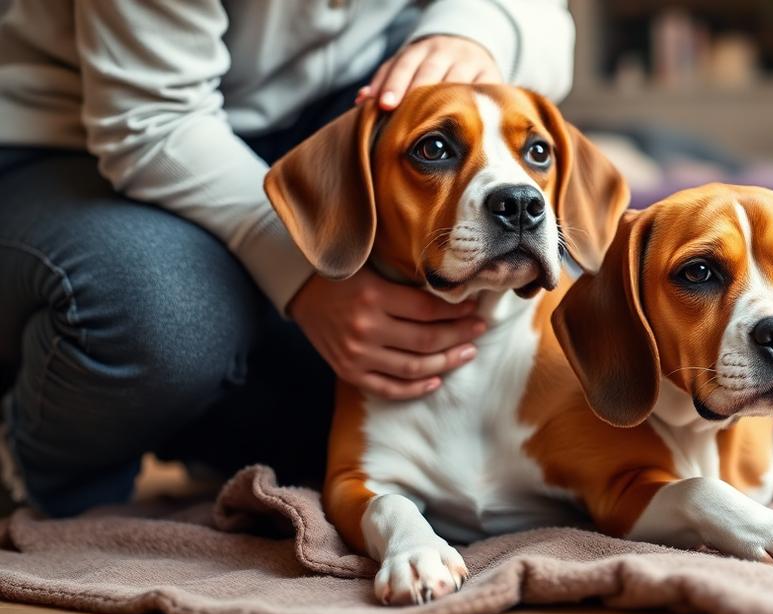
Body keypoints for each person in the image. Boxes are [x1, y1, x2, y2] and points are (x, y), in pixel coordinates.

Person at [0, 0, 574, 517]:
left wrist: (480, 30)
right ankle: (38, 468)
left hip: (337, 107)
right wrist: (302, 278)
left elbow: (544, 15)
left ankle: (217, 422)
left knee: (409, 360)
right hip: (74, 139)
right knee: (163, 316)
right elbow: (150, 121)